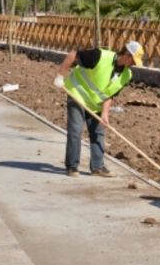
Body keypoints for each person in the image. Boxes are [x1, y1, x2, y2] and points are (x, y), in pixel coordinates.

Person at [53, 41, 144, 177]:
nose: (135, 64)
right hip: (77, 94)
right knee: (76, 130)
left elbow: (110, 94)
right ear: (126, 55)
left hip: (95, 104)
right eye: (134, 60)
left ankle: (97, 167)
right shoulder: (100, 56)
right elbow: (73, 55)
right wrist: (60, 75)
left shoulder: (127, 75)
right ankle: (72, 166)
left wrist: (105, 113)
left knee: (98, 133)